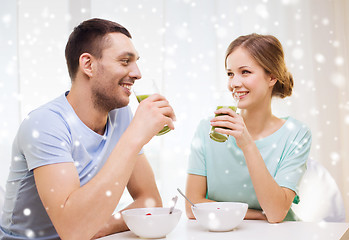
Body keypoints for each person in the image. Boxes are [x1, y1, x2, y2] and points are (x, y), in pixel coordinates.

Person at [0, 18, 176, 239]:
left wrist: (101, 227)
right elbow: (73, 232)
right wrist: (134, 137)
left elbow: (149, 200)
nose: (137, 73)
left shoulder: (120, 115)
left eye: (136, 62)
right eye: (125, 61)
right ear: (88, 65)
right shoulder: (45, 124)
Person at [185, 33, 312, 223]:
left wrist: (247, 143)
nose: (234, 83)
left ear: (272, 77)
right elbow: (192, 205)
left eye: (245, 72)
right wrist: (259, 215)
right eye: (230, 74)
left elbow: (276, 213)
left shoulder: (296, 134)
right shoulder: (208, 129)